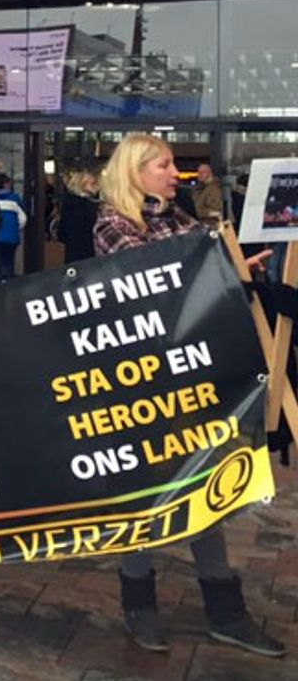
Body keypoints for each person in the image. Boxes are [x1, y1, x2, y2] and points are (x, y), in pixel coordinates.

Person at [93, 133, 283, 658]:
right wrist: (218, 263)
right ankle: (140, 604)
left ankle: (227, 611)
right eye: (164, 164)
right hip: (143, 387)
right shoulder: (114, 225)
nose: (175, 173)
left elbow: (205, 267)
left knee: (204, 490)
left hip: (191, 381)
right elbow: (160, 280)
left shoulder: (179, 220)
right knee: (149, 495)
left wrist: (242, 268)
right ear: (136, 171)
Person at [0, 173, 27, 282]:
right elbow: (23, 218)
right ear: (6, 184)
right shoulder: (15, 198)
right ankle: (9, 288)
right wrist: (16, 228)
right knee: (9, 263)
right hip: (11, 237)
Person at [58, 170, 100, 263]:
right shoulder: (88, 207)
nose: (97, 187)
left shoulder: (68, 205)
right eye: (93, 184)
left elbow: (61, 233)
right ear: (82, 186)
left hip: (72, 253)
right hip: (88, 253)